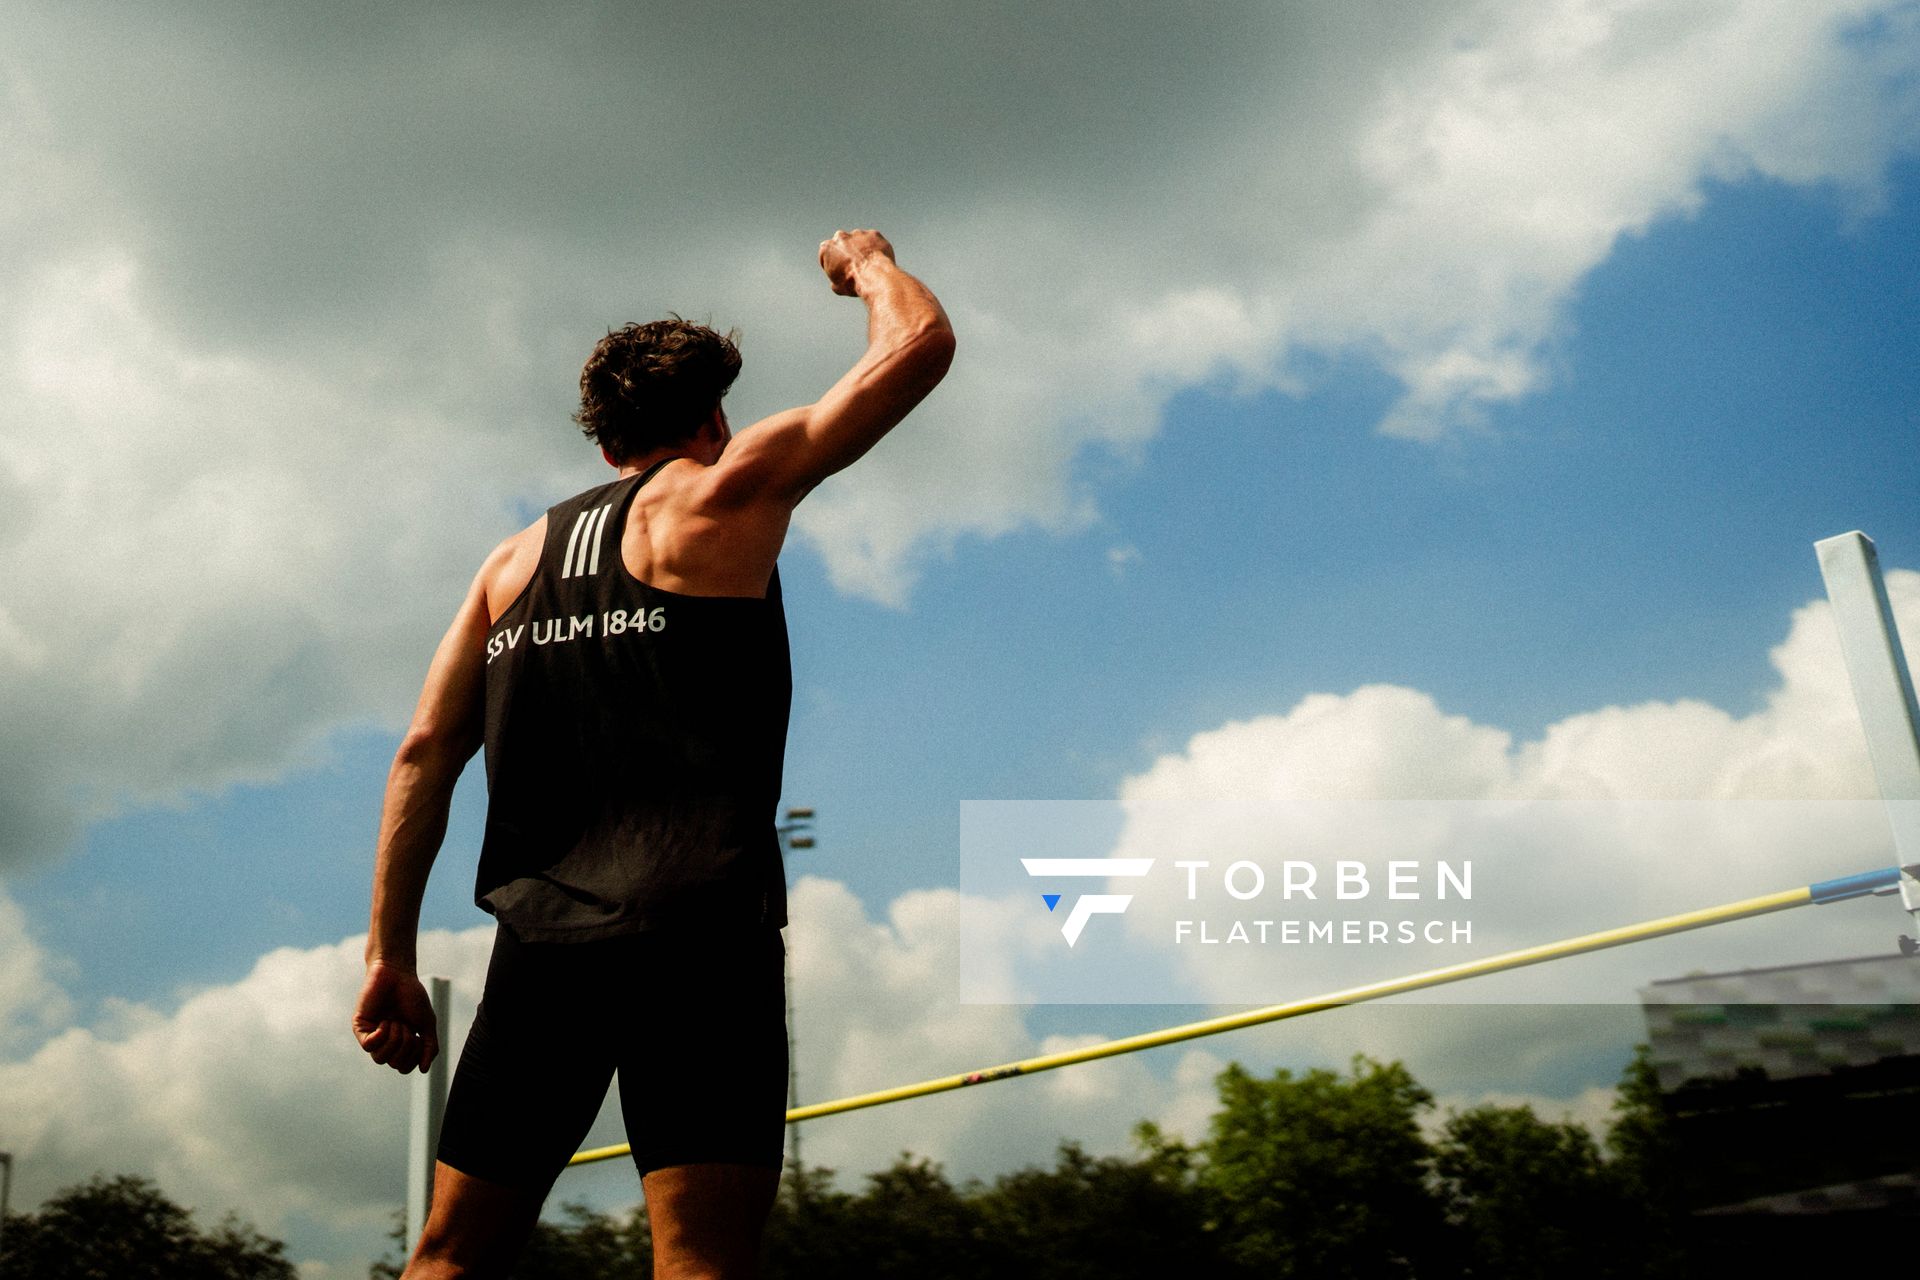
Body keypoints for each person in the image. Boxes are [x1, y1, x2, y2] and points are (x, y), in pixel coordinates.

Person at [351, 229, 954, 1279]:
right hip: (698, 933)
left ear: (603, 445)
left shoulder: (509, 562)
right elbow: (917, 348)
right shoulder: (723, 490)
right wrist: (865, 264)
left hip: (542, 949)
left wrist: (387, 955)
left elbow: (418, 756)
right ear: (713, 419)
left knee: (449, 1253)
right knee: (700, 1258)